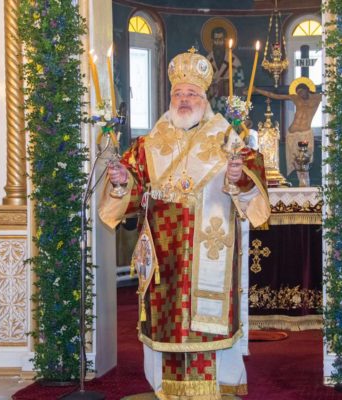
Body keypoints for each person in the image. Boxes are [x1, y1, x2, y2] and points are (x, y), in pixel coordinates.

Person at [99, 48, 270, 399]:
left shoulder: (227, 139)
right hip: (164, 252)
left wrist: (238, 176)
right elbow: (131, 187)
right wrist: (120, 180)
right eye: (178, 93)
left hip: (209, 248)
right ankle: (164, 386)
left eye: (192, 93)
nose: (184, 99)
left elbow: (252, 178)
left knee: (209, 318)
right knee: (165, 319)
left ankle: (220, 385)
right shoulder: (148, 143)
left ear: (205, 100)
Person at [254, 78, 321, 177]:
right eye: (298, 93)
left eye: (302, 92)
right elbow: (275, 96)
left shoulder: (317, 97)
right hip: (292, 133)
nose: (300, 95)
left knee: (304, 159)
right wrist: (257, 90)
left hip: (305, 132)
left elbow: (331, 94)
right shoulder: (295, 98)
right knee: (295, 160)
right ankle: (301, 182)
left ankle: (305, 182)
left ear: (307, 89)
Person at [205, 26, 244, 114]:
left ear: (225, 40)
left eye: (220, 40)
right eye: (216, 40)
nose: (218, 43)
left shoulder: (234, 62)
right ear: (212, 41)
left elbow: (239, 89)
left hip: (229, 110)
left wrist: (237, 113)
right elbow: (202, 88)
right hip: (211, 110)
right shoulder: (206, 62)